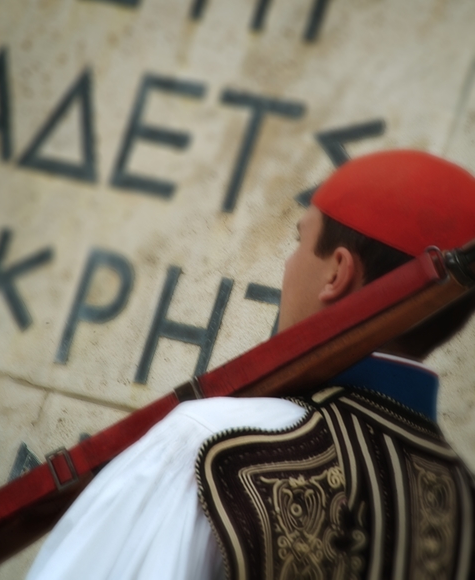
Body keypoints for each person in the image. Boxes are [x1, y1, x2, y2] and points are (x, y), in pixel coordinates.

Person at [26, 150, 475, 580]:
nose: (289, 263)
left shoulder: (212, 442)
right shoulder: (464, 503)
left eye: (299, 241)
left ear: (337, 273)